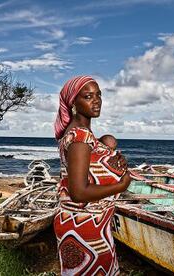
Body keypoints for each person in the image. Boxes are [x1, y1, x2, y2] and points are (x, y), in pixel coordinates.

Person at [53, 75, 131, 275]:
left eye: (99, 95)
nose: (96, 101)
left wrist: (109, 151)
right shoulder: (81, 136)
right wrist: (121, 186)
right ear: (73, 103)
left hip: (81, 223)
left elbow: (91, 166)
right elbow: (78, 191)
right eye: (88, 96)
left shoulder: (76, 135)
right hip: (86, 226)